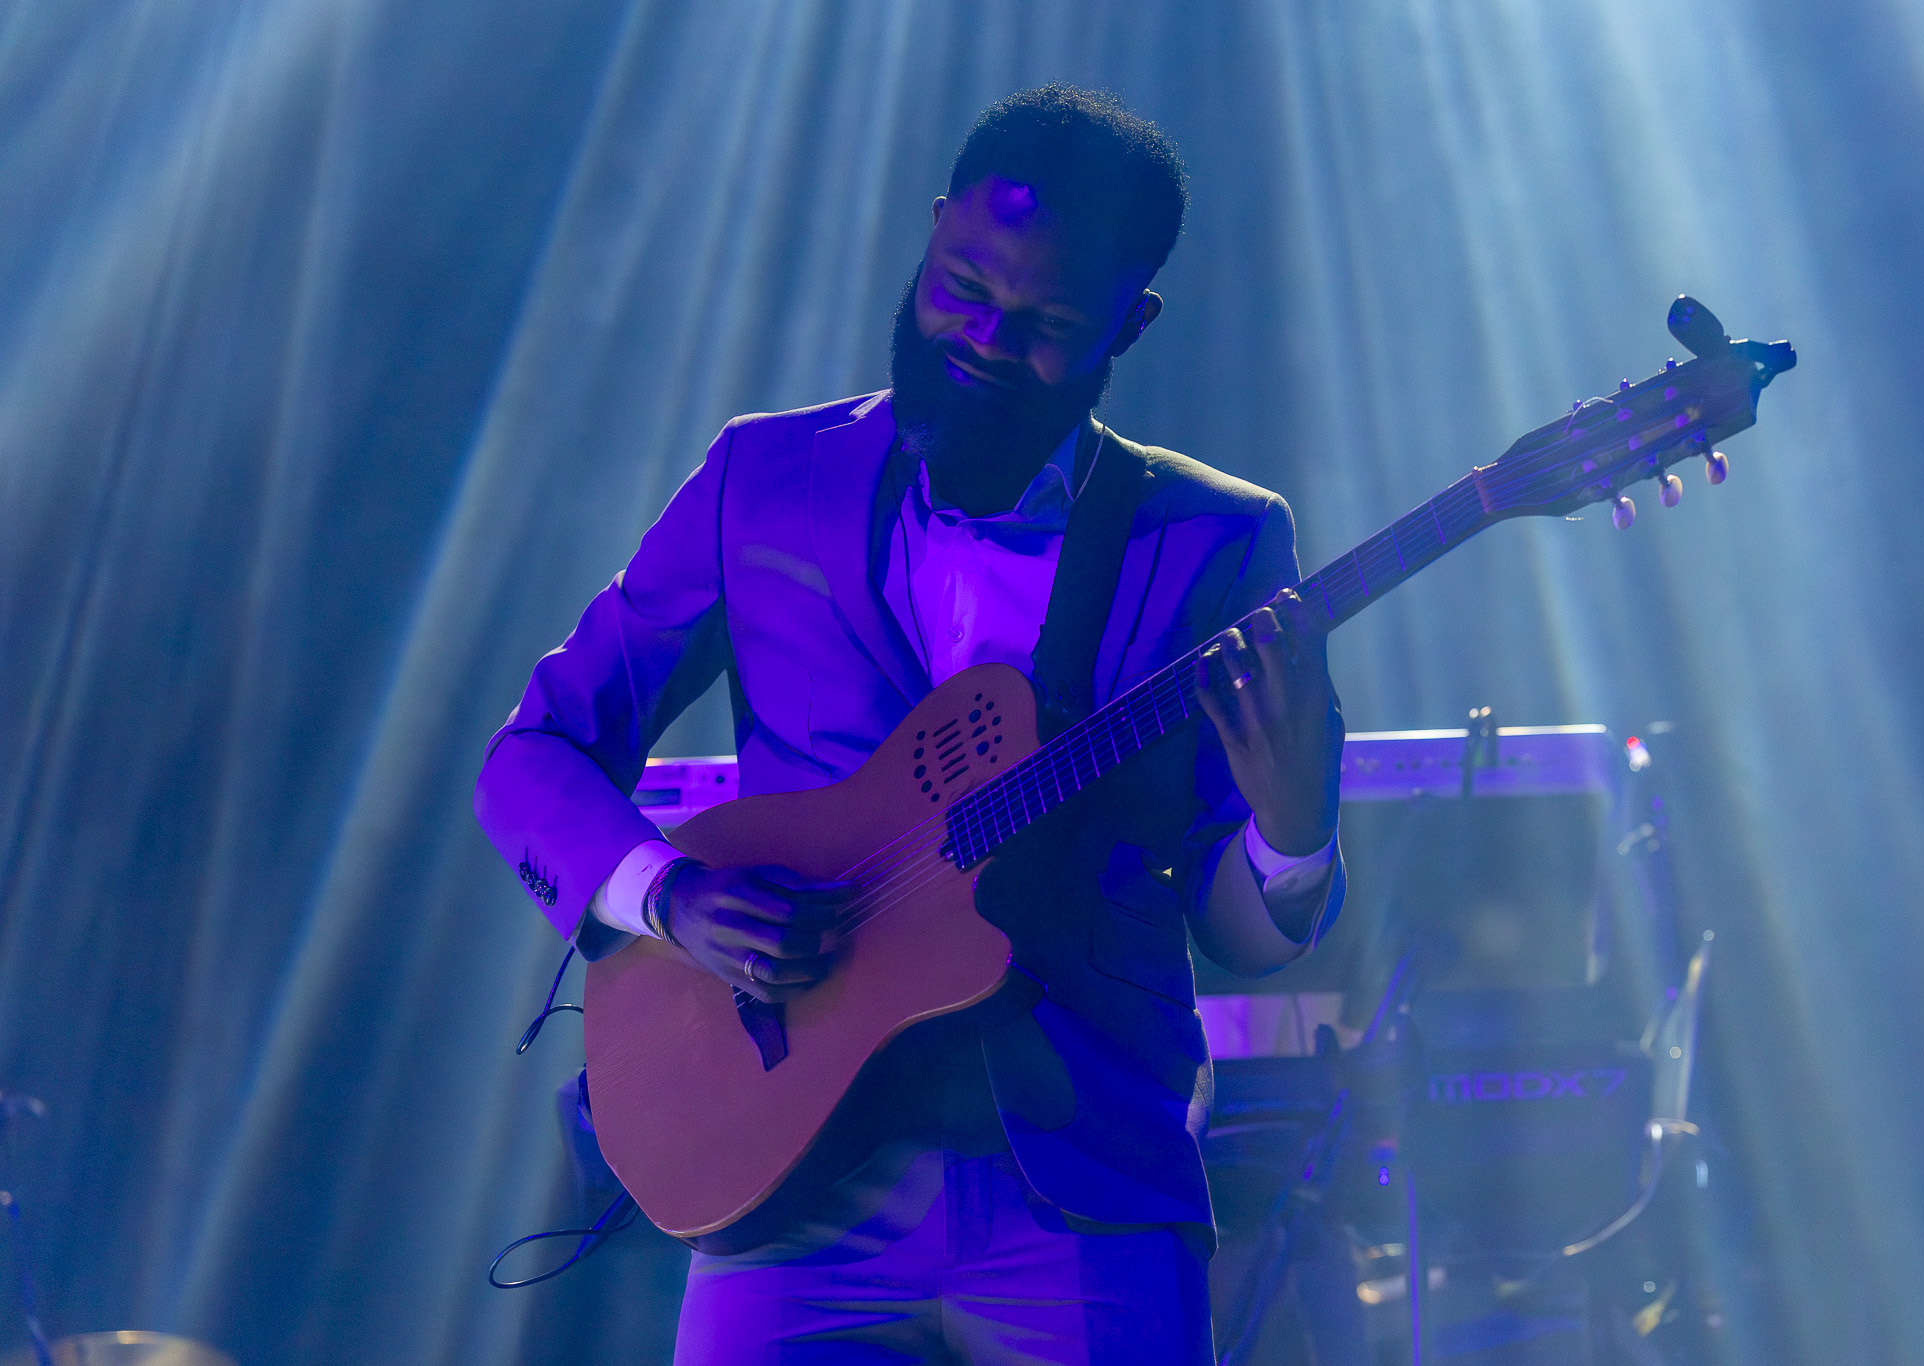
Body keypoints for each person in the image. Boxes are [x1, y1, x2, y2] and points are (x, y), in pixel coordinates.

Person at [475, 85, 1347, 1365]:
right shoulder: (760, 479)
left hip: (1087, 1185)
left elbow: (1235, 924)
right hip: (784, 1182)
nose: (985, 339)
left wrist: (1293, 835)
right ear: (933, 228)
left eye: (1047, 324)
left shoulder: (1216, 536)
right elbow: (532, 754)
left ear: (1131, 321)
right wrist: (668, 898)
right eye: (961, 288)